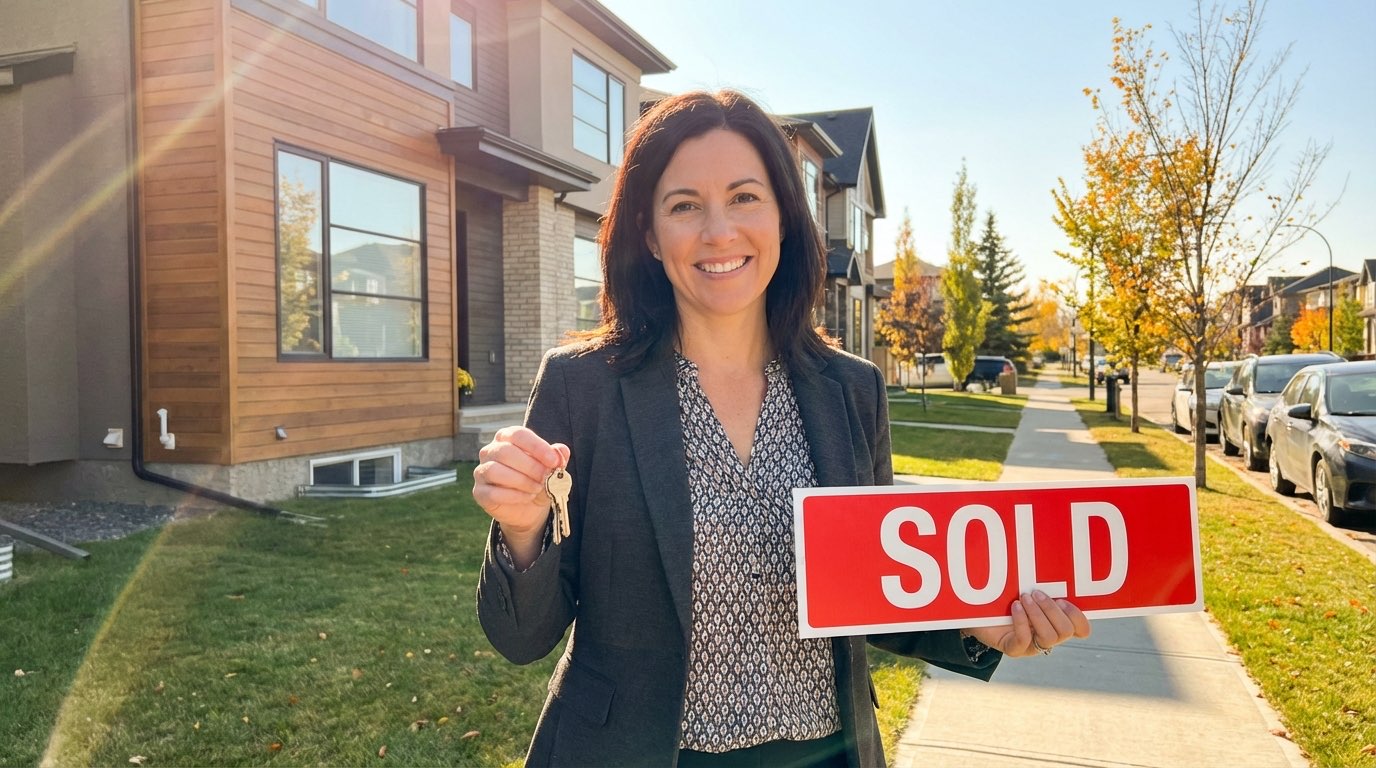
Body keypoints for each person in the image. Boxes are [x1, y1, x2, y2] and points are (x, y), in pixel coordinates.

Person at [472, 89, 1091, 767]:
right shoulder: (582, 385)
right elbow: (521, 636)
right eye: (684, 206)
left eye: (745, 197)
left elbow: (879, 587)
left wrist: (979, 625)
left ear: (785, 219)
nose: (718, 232)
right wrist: (524, 531)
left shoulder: (852, 392)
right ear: (648, 234)